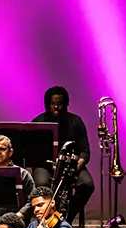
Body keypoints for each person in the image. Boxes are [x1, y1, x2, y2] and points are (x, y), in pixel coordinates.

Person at [33, 85, 96, 215]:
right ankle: (45, 220)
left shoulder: (76, 121)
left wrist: (74, 167)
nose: (56, 107)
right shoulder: (38, 122)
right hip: (44, 165)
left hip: (71, 164)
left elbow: (85, 151)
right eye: (53, 104)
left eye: (60, 104)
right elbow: (31, 151)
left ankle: (67, 216)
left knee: (87, 184)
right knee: (42, 183)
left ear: (66, 104)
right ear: (47, 104)